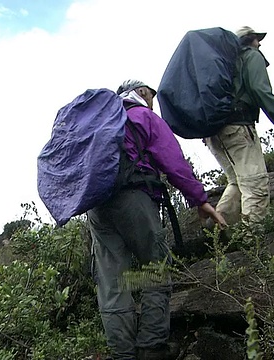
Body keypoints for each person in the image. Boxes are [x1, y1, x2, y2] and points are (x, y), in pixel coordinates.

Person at [87, 79, 226, 360]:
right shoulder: (142, 116)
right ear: (140, 93)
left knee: (115, 283)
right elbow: (173, 161)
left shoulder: (98, 125)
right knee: (156, 270)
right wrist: (199, 199)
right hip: (135, 199)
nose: (153, 101)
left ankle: (123, 354)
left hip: (97, 207)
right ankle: (151, 348)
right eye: (151, 95)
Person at [204, 26, 274, 226]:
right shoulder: (251, 56)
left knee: (237, 182)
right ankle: (253, 242)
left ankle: (216, 235)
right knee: (255, 185)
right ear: (249, 40)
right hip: (238, 127)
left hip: (214, 132)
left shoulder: (224, 63)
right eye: (257, 39)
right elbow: (259, 90)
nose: (259, 44)